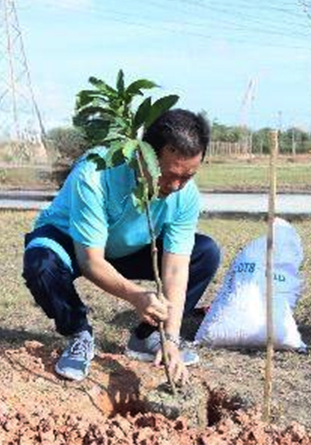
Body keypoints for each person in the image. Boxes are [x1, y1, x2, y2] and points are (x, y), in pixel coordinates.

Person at [22, 108, 220, 384]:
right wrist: (137, 296)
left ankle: (148, 337)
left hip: (127, 248)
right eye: (169, 175)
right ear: (144, 157)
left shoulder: (185, 195)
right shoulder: (95, 174)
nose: (175, 186)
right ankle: (79, 334)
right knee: (40, 264)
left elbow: (175, 269)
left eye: (186, 177)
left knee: (206, 253)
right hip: (71, 242)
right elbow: (90, 261)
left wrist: (172, 338)